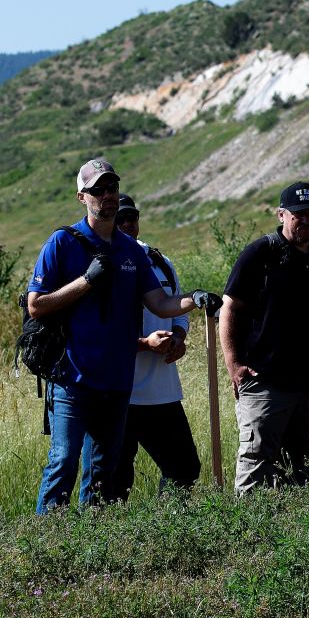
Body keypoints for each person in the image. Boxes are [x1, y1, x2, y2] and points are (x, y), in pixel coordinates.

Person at [27, 159, 221, 514]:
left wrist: (194, 299)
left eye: (112, 188)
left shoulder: (132, 250)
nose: (108, 196)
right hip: (72, 378)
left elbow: (160, 303)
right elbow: (36, 306)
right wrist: (87, 281)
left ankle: (94, 547)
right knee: (64, 463)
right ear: (81, 197)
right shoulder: (62, 243)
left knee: (103, 473)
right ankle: (44, 551)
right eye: (98, 190)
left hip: (117, 384)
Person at [219, 181, 309, 493]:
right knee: (256, 464)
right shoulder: (260, 254)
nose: (306, 219)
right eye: (298, 214)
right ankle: (248, 537)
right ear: (281, 215)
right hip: (265, 382)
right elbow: (230, 309)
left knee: (302, 467)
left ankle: (294, 536)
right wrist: (233, 364)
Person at [110, 194, 201, 500]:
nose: (127, 224)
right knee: (113, 479)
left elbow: (178, 311)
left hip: (161, 391)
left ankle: (169, 533)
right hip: (117, 393)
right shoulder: (99, 262)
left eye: (131, 217)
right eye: (120, 219)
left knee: (184, 468)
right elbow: (98, 333)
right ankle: (111, 541)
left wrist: (178, 339)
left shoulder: (160, 261)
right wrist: (144, 344)